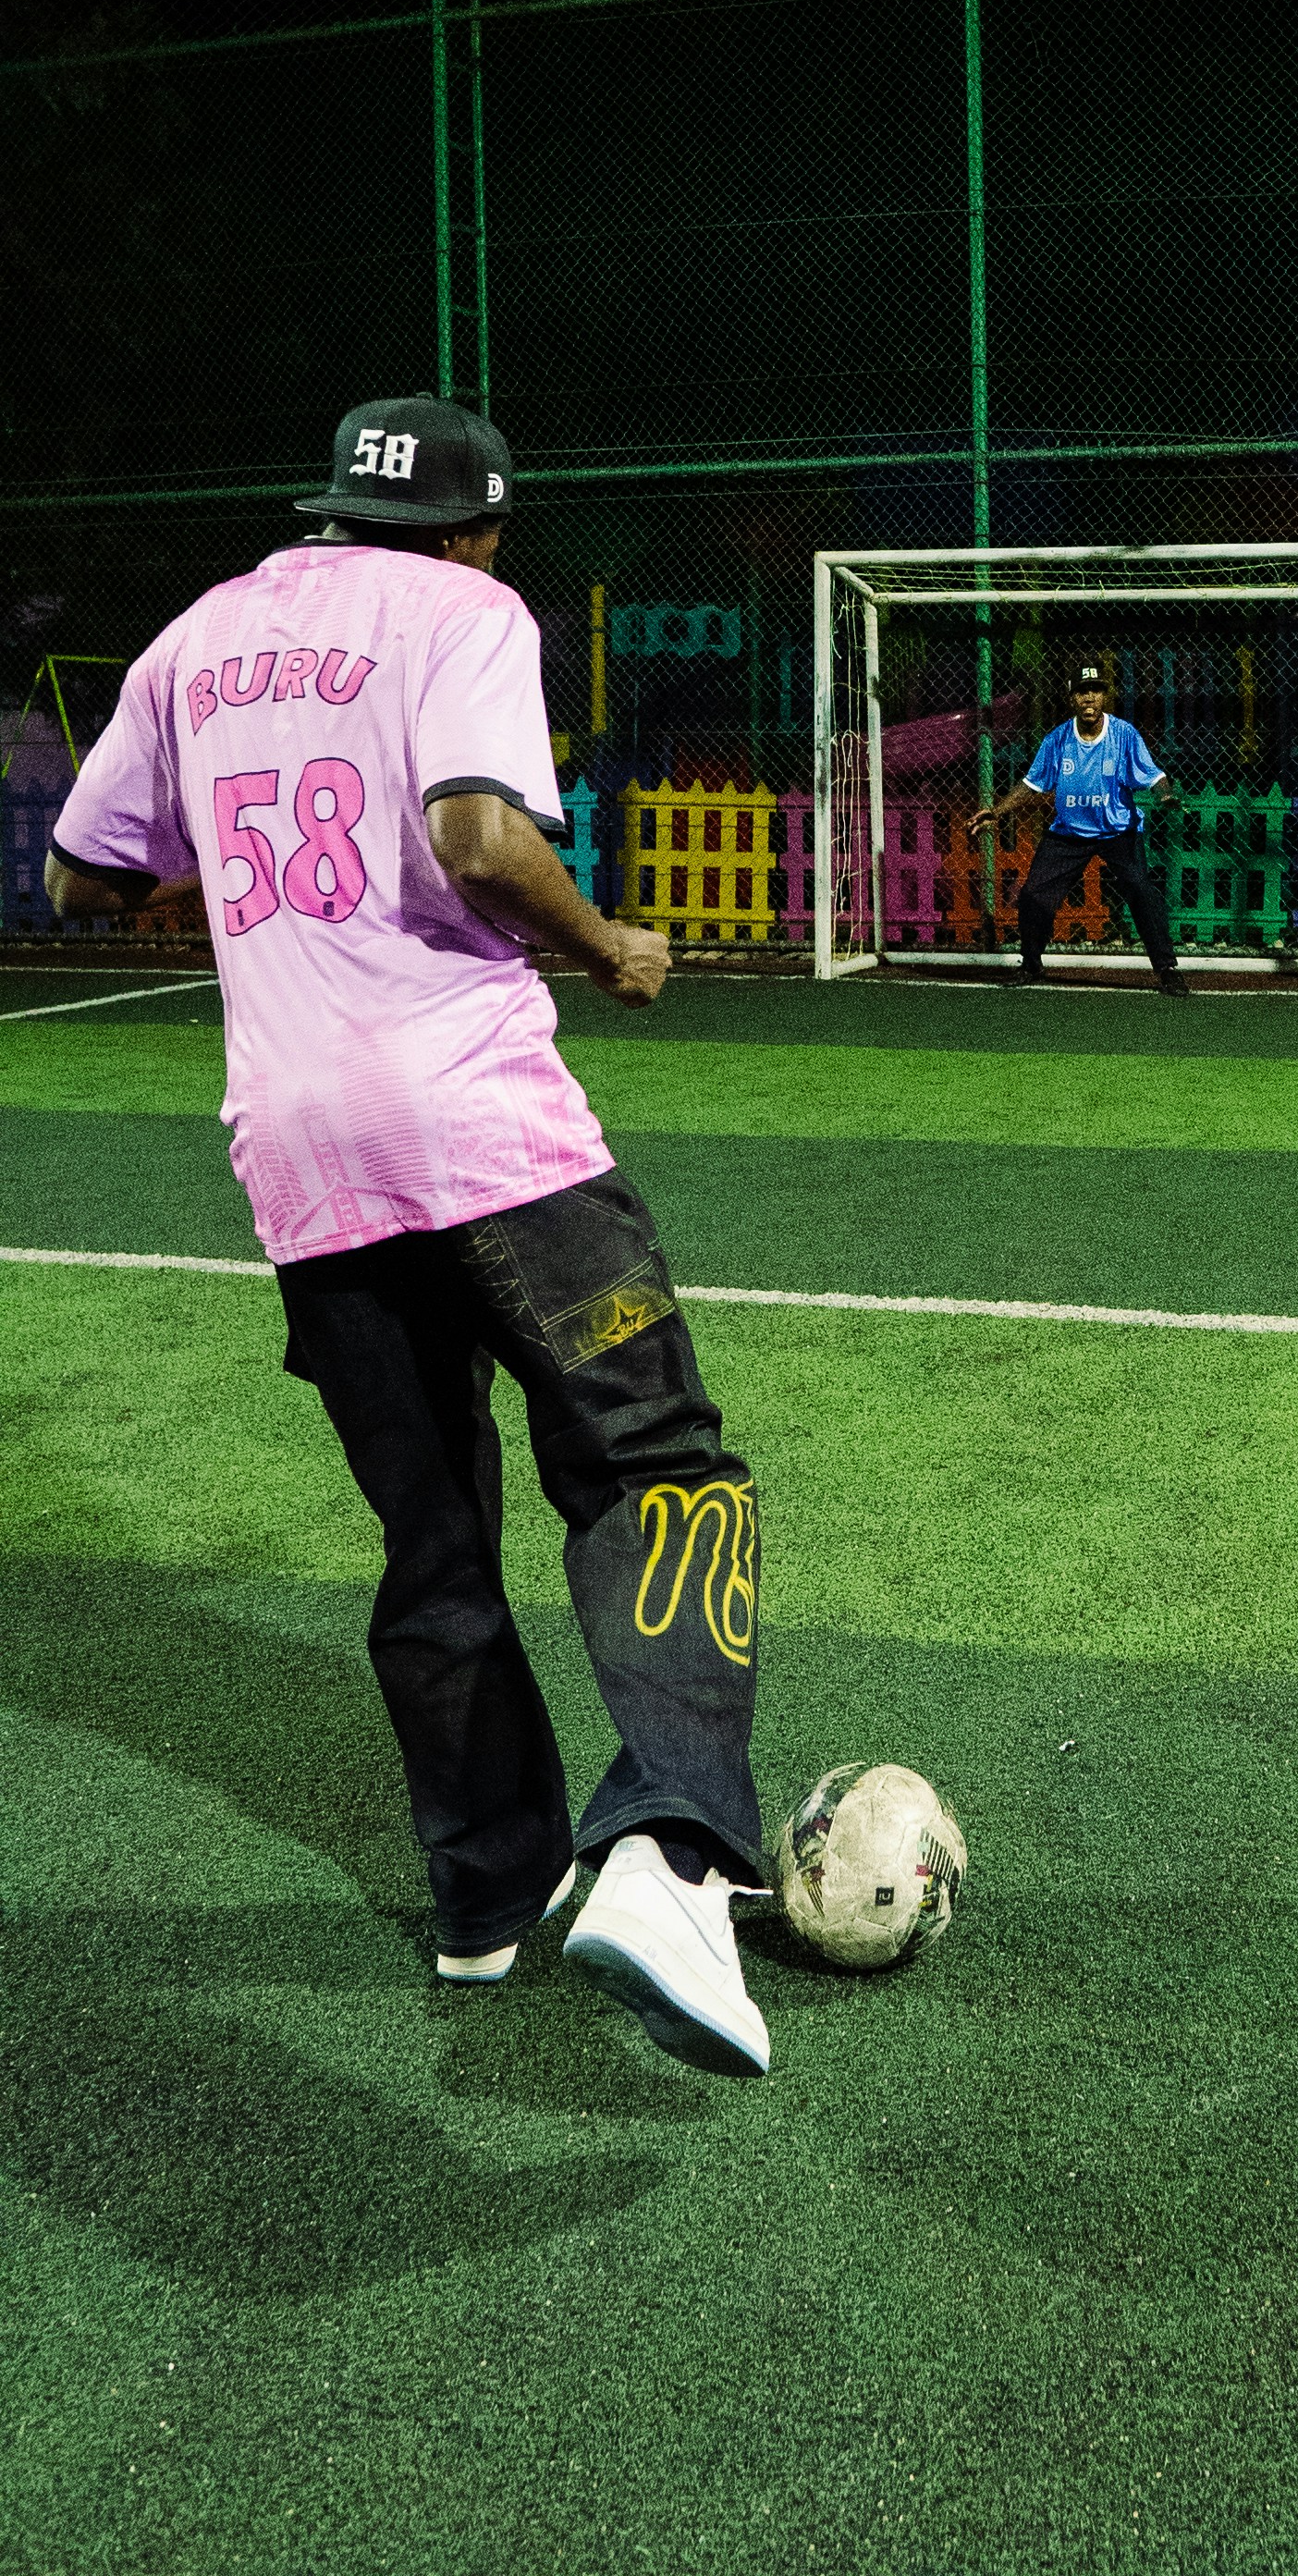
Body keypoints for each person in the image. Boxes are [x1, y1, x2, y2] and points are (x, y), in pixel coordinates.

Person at [45, 390, 775, 2071]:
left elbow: (88, 875)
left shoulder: (197, 638)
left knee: (434, 1540)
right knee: (664, 1470)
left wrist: (249, 880)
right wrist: (609, 947)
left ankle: (482, 1904)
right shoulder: (466, 611)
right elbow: (474, 833)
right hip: (482, 1131)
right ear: (473, 526)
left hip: (299, 1158)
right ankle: (667, 1852)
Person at [970, 661, 1186, 994]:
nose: (1090, 698)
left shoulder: (1124, 735)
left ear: (1104, 697)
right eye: (1083, 692)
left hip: (1118, 831)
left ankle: (1167, 968)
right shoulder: (1057, 740)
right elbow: (1032, 784)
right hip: (1068, 834)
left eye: (1096, 691)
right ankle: (1031, 965)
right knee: (1033, 895)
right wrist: (996, 811)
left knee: (1142, 890)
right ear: (1072, 698)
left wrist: (1166, 795)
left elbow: (1154, 776)